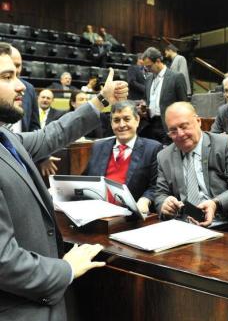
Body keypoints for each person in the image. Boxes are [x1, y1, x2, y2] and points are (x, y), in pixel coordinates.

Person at [0, 42, 128, 320]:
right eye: (7, 77)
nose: (21, 86)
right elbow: (2, 261)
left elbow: (51, 135)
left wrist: (100, 101)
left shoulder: (7, 138)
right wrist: (66, 268)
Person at [155, 102, 228, 235]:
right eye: (173, 131)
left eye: (184, 126)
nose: (180, 134)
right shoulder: (164, 156)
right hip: (188, 228)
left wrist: (215, 203)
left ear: (198, 121)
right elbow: (161, 194)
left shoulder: (224, 144)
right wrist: (164, 204)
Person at [85, 100, 162, 214]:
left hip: (131, 217)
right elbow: (88, 180)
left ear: (137, 120)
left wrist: (145, 200)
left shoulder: (152, 148)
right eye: (116, 120)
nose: (121, 125)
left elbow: (155, 185)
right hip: (99, 214)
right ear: (111, 124)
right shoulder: (98, 146)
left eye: (127, 119)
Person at [142, 47, 187, 144]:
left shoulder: (176, 77)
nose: (148, 70)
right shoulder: (149, 79)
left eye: (149, 66)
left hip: (168, 126)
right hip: (151, 124)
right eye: (146, 68)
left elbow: (184, 104)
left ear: (158, 61)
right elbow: (147, 100)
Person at [7, 46, 40, 132]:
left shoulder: (29, 89)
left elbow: (34, 126)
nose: (15, 70)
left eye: (18, 65)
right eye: (11, 64)